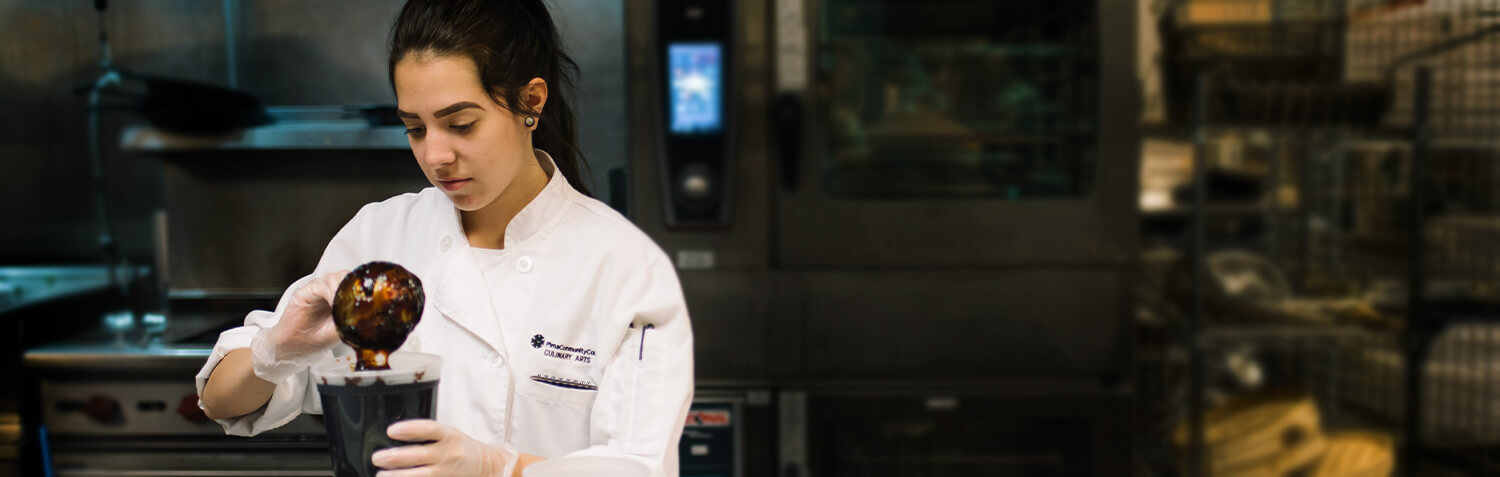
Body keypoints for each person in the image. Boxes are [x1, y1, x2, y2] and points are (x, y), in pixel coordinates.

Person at [194, 0, 694, 475]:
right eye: (415, 129)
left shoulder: (624, 267)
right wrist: (276, 350)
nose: (436, 156)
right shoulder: (381, 236)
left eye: (460, 124)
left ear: (531, 102)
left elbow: (641, 468)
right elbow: (220, 401)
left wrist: (499, 467)